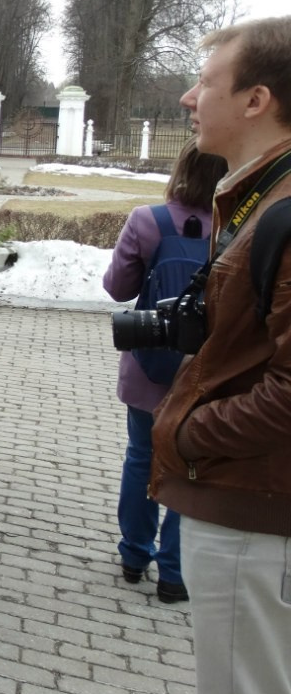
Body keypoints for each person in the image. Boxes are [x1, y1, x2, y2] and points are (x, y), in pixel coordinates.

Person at [150, 17, 291, 694]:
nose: (188, 98)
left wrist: (184, 432)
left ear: (256, 100)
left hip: (254, 524)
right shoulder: (263, 197)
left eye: (206, 83)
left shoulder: (284, 212)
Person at [103, 138, 224, 603]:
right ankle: (175, 572)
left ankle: (134, 555)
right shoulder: (236, 228)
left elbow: (118, 288)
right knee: (192, 467)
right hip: (209, 369)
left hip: (150, 363)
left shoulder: (147, 221)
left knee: (141, 457)